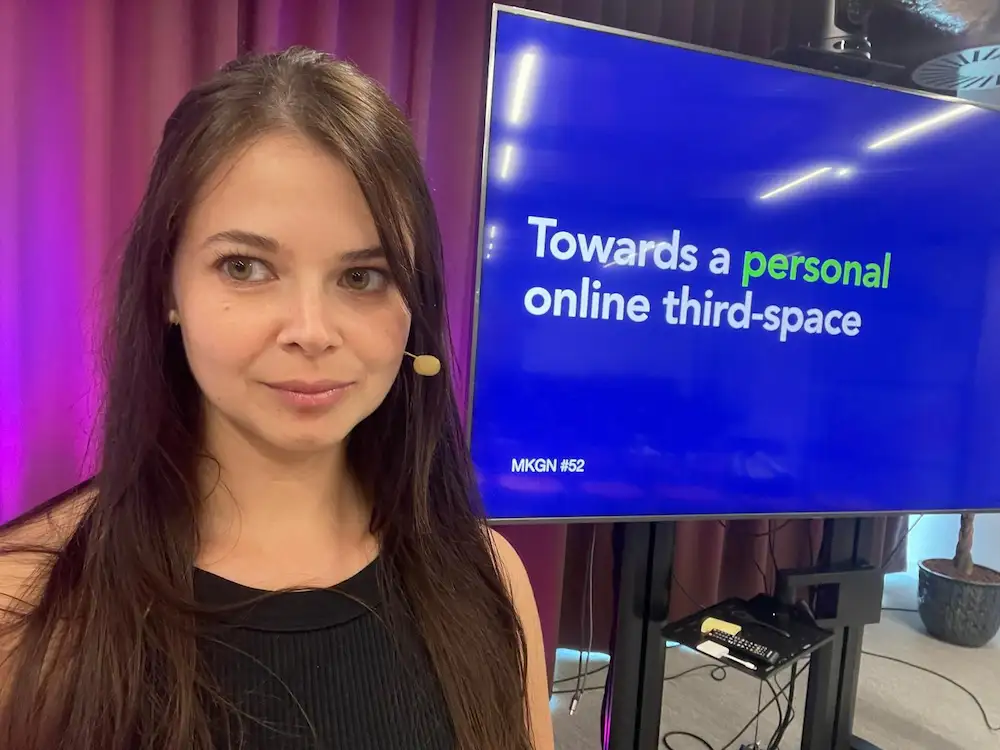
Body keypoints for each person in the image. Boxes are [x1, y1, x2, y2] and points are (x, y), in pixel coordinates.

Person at [0, 48, 553, 750]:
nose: (311, 332)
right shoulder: (26, 606)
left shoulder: (487, 580)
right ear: (169, 286)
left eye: (363, 277)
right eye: (246, 267)